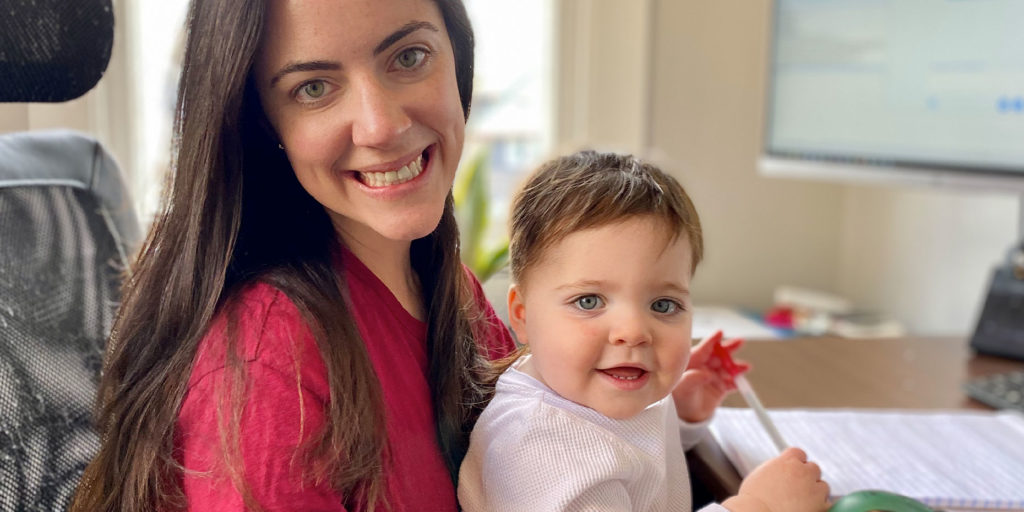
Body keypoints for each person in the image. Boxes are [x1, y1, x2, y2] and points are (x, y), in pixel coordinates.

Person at [70, 1, 516, 511]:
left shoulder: (449, 289)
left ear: (456, 57)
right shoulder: (269, 363)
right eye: (314, 88)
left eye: (409, 57)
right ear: (264, 127)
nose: (381, 126)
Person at [457, 151, 831, 512]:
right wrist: (758, 507)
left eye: (663, 305)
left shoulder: (584, 390)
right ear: (521, 315)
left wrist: (679, 414)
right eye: (589, 301)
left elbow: (631, 457)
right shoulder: (542, 448)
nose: (634, 331)